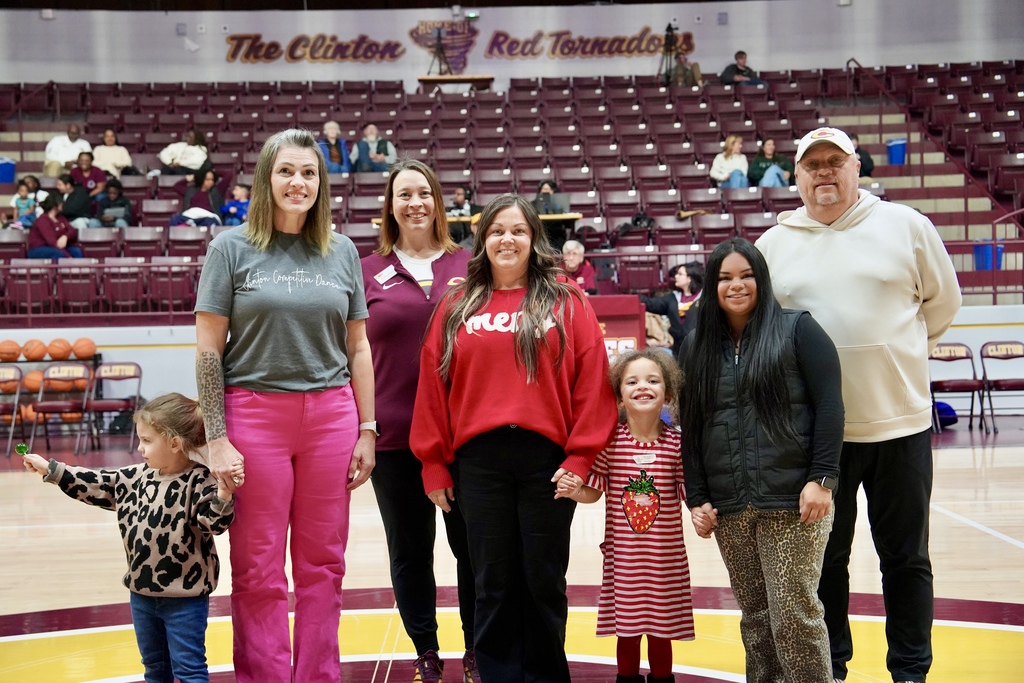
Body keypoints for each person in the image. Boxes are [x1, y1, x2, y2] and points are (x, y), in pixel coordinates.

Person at [755, 127, 962, 683]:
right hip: (820, 439)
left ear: (855, 167)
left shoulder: (907, 226)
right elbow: (763, 333)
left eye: (835, 162)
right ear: (796, 177)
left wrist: (900, 353)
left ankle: (911, 670)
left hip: (902, 426)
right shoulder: (773, 245)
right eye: (812, 165)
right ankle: (833, 668)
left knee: (906, 560)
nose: (824, 172)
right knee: (825, 563)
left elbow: (943, 303)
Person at [194, 128, 376, 683]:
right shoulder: (230, 248)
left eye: (309, 173)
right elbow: (208, 351)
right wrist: (217, 436)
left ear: (321, 184)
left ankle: (317, 675)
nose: (298, 183)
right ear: (265, 178)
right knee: (258, 566)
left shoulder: (342, 250)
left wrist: (367, 429)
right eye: (287, 172)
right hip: (253, 416)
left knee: (324, 564)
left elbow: (358, 346)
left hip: (331, 417)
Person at [411, 193, 618, 683]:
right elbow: (432, 386)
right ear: (482, 240)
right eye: (497, 230)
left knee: (544, 579)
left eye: (518, 230)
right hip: (477, 460)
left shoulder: (567, 298)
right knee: (493, 581)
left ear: (533, 239)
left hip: (548, 458)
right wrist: (434, 463)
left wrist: (582, 455)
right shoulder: (458, 304)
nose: (508, 238)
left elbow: (593, 378)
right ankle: (499, 674)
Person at [678, 237, 845, 683]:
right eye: (725, 277)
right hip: (730, 507)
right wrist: (696, 497)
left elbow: (830, 405)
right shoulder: (695, 346)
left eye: (746, 275)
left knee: (794, 614)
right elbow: (690, 426)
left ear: (762, 278)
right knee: (755, 618)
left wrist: (823, 478)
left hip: (793, 501)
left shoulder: (798, 329)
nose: (737, 285)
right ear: (710, 286)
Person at [21, 393, 240, 683]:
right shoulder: (134, 478)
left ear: (175, 443)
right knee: (154, 667)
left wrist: (224, 494)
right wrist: (51, 469)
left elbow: (214, 524)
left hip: (185, 600)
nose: (140, 448)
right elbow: (95, 482)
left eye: (147, 441)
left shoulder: (199, 481)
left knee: (189, 669)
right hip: (141, 595)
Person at [359, 158, 477, 682]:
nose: (415, 203)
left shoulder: (470, 264)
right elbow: (349, 353)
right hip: (393, 437)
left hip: (465, 435)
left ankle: (478, 650)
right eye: (404, 194)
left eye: (424, 193)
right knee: (410, 552)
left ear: (438, 202)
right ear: (390, 205)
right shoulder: (364, 269)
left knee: (473, 548)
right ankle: (426, 651)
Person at [556, 350, 694, 683]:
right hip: (625, 564)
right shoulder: (610, 443)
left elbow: (691, 493)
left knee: (662, 632)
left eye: (652, 380)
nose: (642, 387)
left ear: (668, 392)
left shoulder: (677, 444)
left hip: (665, 562)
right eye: (632, 381)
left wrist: (704, 513)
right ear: (619, 395)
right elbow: (594, 492)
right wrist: (575, 489)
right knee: (627, 632)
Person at [640, 262, 703, 356]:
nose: (676, 277)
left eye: (680, 274)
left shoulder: (705, 297)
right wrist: (633, 297)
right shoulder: (673, 298)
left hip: (701, 349)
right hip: (679, 350)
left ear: (690, 278)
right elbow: (652, 304)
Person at [28, 194, 83, 259]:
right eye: (61, 203)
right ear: (55, 206)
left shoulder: (60, 218)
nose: (63, 205)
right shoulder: (42, 220)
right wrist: (68, 257)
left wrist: (65, 236)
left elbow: (72, 230)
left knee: (76, 251)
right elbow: (52, 241)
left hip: (57, 247)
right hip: (39, 248)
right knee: (59, 254)